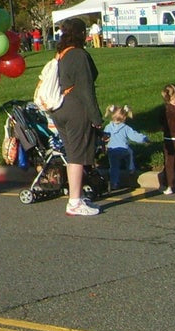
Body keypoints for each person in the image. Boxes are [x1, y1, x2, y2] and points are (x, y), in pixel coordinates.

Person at [47, 17, 103, 217]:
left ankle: (75, 196)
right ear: (80, 33)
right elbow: (87, 90)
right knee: (78, 156)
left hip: (59, 108)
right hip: (75, 108)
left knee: (71, 155)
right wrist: (97, 118)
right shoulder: (79, 55)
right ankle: (75, 201)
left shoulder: (61, 54)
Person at [102, 104, 149, 191]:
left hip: (112, 151)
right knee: (130, 153)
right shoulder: (126, 128)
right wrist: (144, 139)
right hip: (124, 150)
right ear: (124, 117)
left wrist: (103, 146)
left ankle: (114, 183)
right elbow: (134, 136)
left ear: (112, 116)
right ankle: (131, 168)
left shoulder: (108, 127)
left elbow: (104, 138)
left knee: (114, 167)